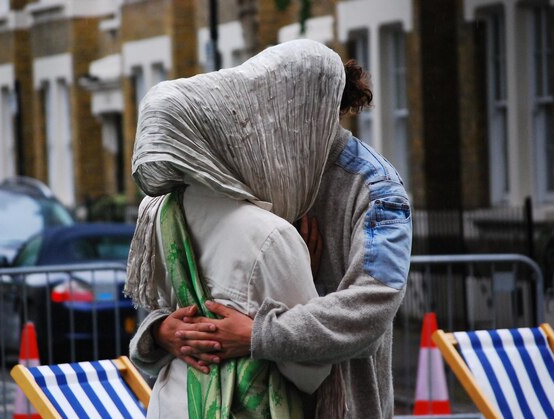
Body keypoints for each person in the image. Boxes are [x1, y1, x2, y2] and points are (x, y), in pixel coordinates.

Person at [133, 43, 413, 418]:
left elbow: (371, 309)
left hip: (343, 405)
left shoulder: (378, 190)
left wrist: (256, 335)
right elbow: (207, 286)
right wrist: (162, 333)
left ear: (313, 106)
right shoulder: (247, 169)